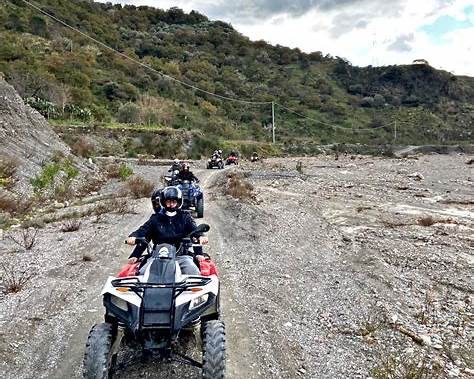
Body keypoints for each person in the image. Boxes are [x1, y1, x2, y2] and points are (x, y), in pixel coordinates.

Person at [126, 187, 208, 275]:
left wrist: (201, 236)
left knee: (193, 271)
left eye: (174, 201)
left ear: (179, 202)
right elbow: (143, 232)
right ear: (163, 203)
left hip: (180, 256)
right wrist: (133, 238)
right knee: (142, 273)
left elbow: (195, 230)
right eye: (168, 202)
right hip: (157, 257)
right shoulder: (155, 219)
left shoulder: (185, 217)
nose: (171, 204)